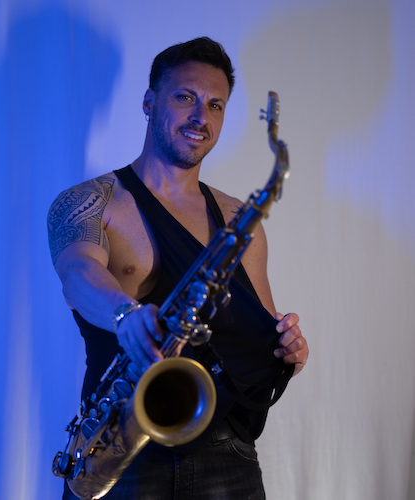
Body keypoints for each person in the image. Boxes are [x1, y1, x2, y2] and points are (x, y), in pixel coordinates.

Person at [48, 37, 309, 500]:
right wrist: (126, 315)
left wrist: (289, 349)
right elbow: (77, 274)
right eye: (185, 97)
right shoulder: (92, 201)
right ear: (149, 102)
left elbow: (259, 335)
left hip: (227, 456)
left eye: (215, 105)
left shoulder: (236, 218)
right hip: (119, 455)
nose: (201, 117)